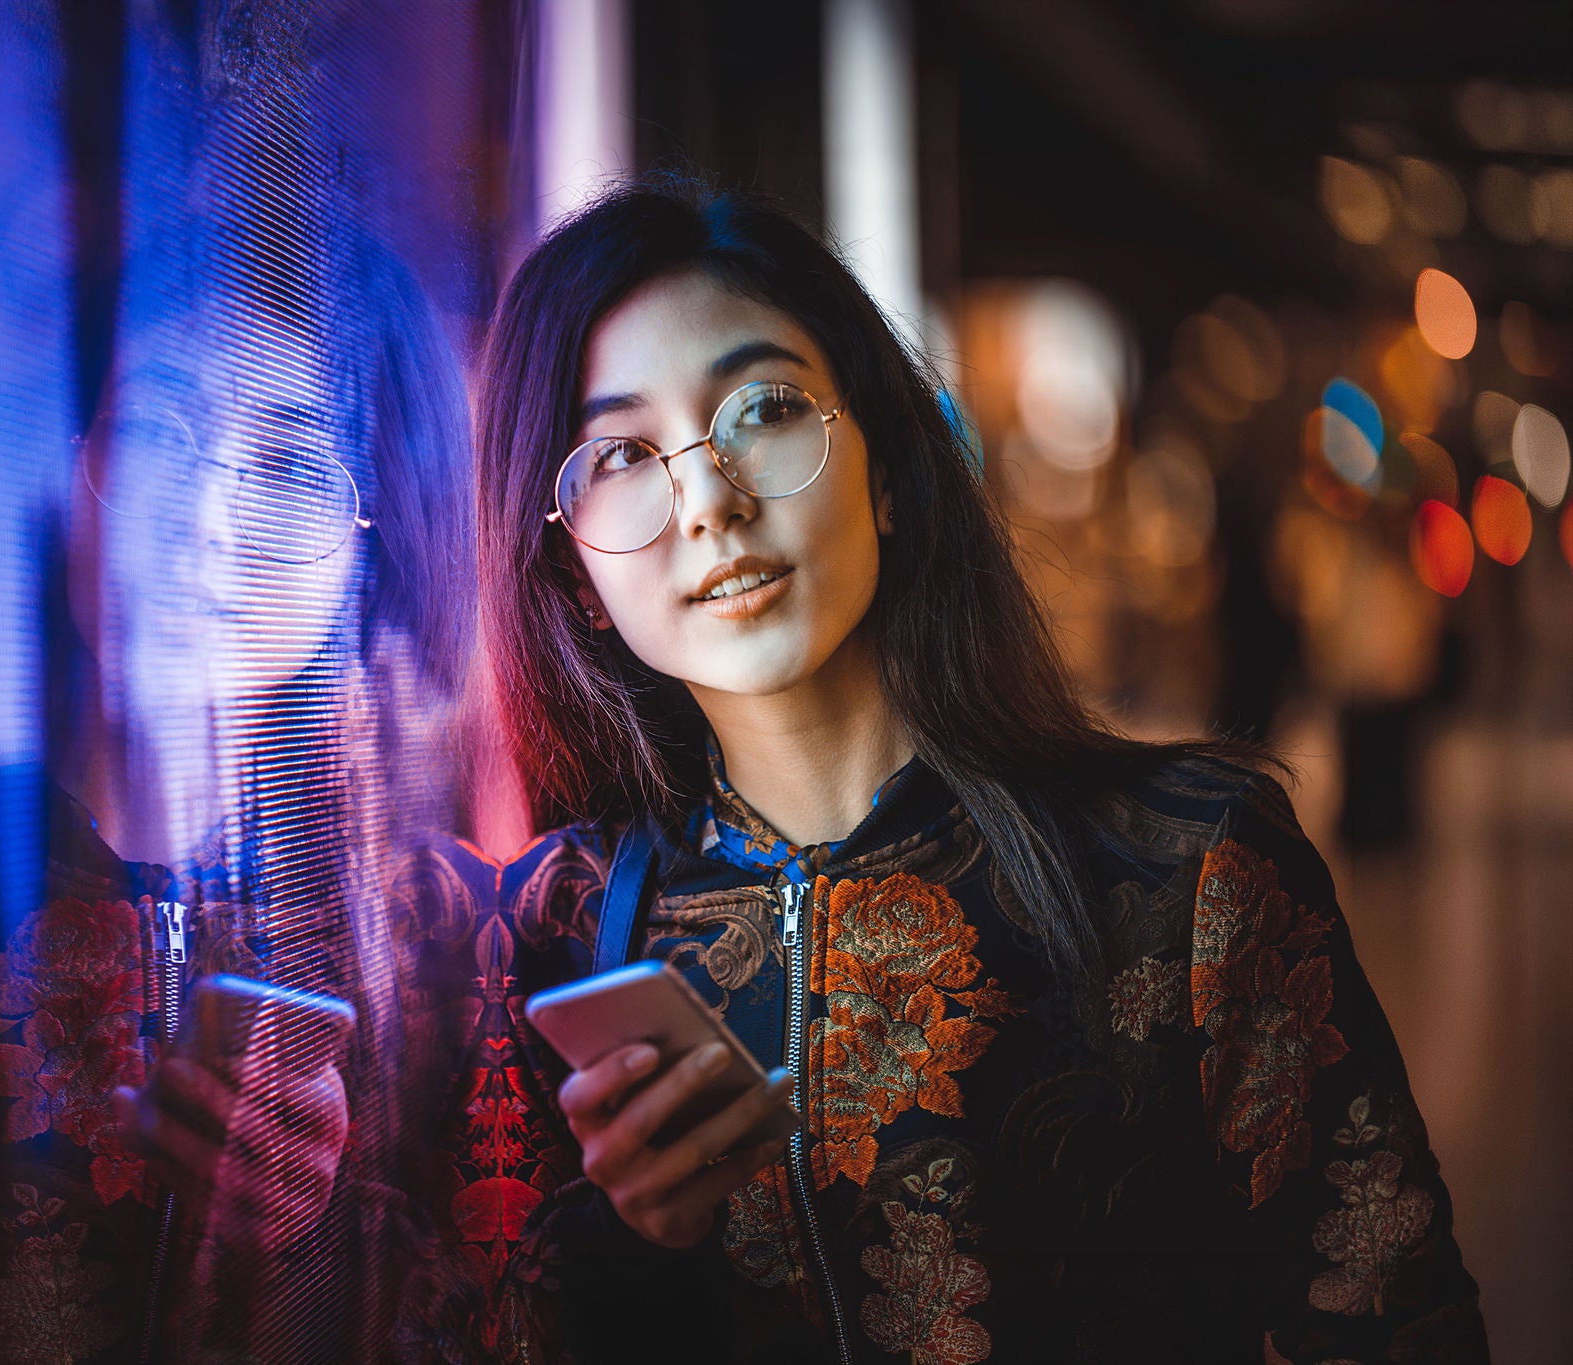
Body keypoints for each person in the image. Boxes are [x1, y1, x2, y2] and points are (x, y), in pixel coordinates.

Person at [123, 177, 1489, 1363]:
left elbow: (1397, 1326)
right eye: (622, 455)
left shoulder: (1193, 869)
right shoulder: (538, 938)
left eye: (763, 408)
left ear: (887, 466)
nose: (709, 500)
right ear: (577, 574)